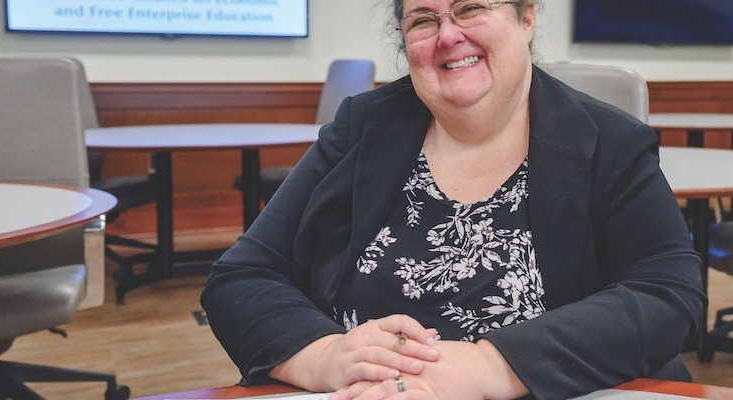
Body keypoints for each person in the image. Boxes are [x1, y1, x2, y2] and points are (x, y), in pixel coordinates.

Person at [201, 0, 706, 398]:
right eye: (423, 20)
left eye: (470, 8)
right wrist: (324, 355)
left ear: (526, 17)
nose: (448, 36)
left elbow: (667, 294)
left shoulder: (609, 142)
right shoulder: (362, 127)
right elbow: (243, 276)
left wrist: (488, 366)